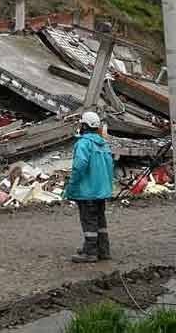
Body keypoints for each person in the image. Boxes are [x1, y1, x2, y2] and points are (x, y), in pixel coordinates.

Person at [63, 111, 114, 263]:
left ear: (84, 126)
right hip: (101, 191)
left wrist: (71, 186)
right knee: (100, 220)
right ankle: (103, 250)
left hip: (87, 191)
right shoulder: (104, 144)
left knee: (89, 220)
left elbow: (79, 166)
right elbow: (110, 166)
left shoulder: (83, 143)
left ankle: (90, 252)